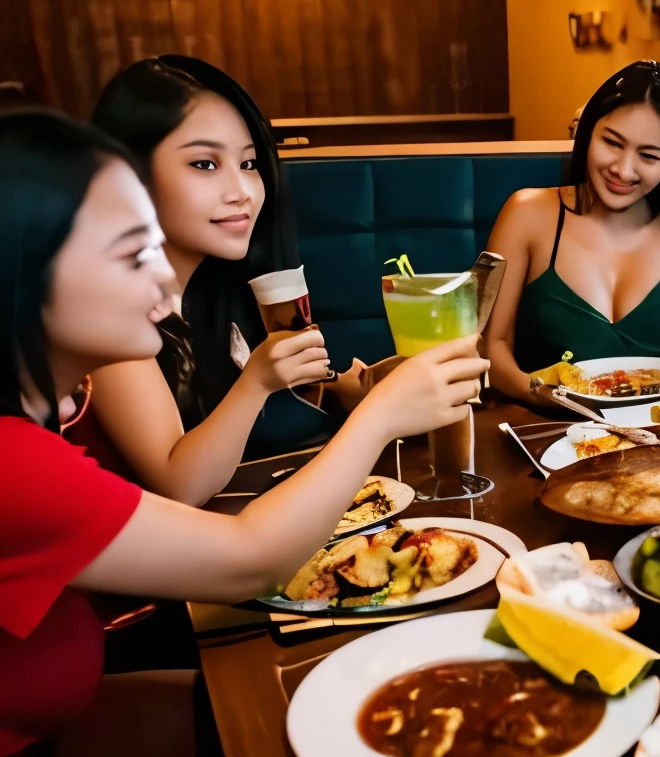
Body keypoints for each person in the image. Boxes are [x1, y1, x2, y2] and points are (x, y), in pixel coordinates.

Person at [0, 109, 489, 754]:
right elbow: (249, 559)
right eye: (131, 253)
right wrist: (381, 416)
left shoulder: (48, 416)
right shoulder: (17, 463)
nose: (161, 276)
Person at [79, 56, 362, 506]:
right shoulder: (105, 311)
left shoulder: (218, 285)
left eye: (249, 163)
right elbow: (181, 484)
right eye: (205, 164)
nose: (242, 191)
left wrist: (345, 393)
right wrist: (256, 382)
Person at [484, 61, 660, 402]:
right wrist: (542, 396)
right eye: (613, 143)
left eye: (648, 156)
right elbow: (493, 348)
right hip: (544, 432)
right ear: (587, 132)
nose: (623, 169)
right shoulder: (526, 214)